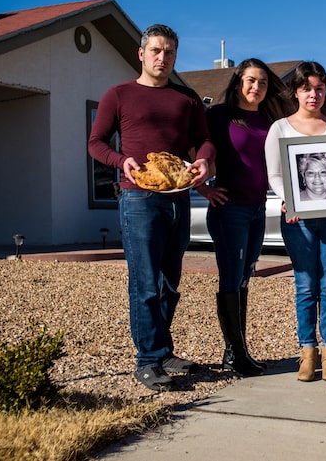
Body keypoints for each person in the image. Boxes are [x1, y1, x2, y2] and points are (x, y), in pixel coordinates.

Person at [88, 24, 215, 392]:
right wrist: (120, 160)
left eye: (170, 52)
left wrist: (204, 161)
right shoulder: (119, 94)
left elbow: (205, 140)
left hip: (178, 196)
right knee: (144, 282)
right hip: (138, 198)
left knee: (169, 282)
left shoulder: (186, 99)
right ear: (140, 53)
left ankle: (162, 350)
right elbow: (95, 142)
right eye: (156, 50)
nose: (163, 58)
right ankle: (147, 360)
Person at [265, 61, 326, 382]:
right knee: (305, 287)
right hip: (297, 219)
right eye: (306, 89)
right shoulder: (280, 128)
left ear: (325, 91)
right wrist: (288, 197)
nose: (313, 95)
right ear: (296, 92)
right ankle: (308, 353)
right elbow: (275, 173)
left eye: (319, 89)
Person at [199, 58, 288, 377]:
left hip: (256, 209)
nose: (256, 87)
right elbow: (196, 153)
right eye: (251, 80)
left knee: (246, 277)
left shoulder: (270, 119)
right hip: (229, 209)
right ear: (238, 81)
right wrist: (204, 190)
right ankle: (234, 354)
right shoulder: (218, 116)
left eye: (262, 82)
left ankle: (237, 352)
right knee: (231, 278)